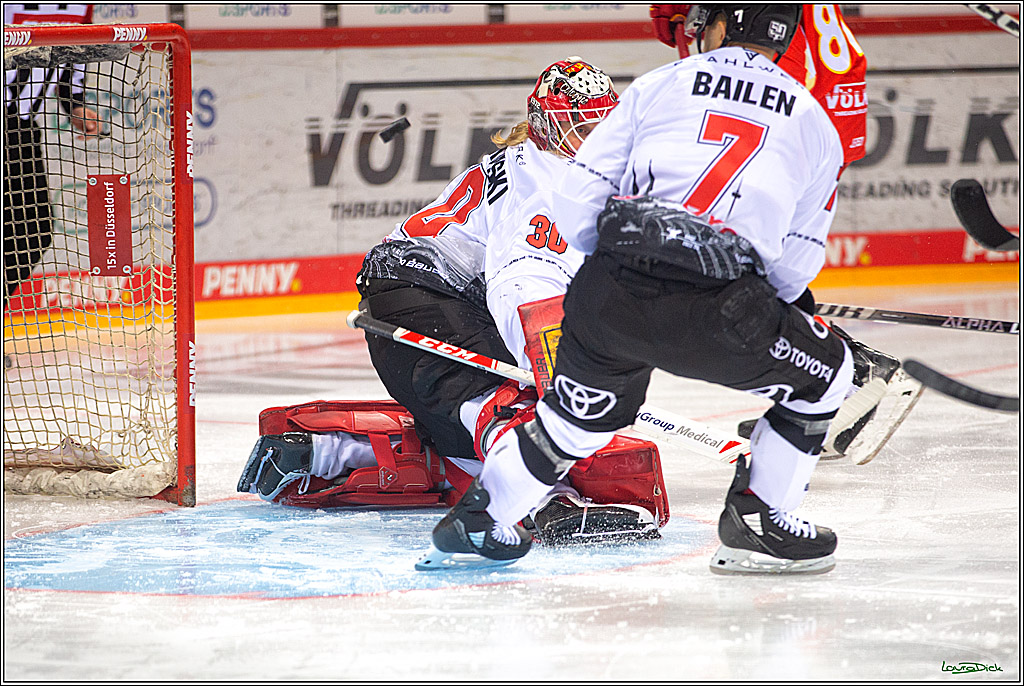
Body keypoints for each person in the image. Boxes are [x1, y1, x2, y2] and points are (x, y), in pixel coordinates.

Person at [420, 4, 854, 574]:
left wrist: (617, 266)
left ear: (724, 26)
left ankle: (483, 518)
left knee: (570, 423)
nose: (696, 31)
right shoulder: (815, 122)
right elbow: (795, 268)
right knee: (829, 375)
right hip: (718, 311)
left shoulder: (658, 85)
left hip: (609, 298)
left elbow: (578, 207)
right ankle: (759, 519)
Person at [238, 58, 669, 551]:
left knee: (463, 432)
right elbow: (519, 285)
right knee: (516, 407)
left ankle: (329, 454)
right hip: (426, 301)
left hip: (406, 304)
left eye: (600, 127)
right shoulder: (546, 184)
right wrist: (556, 367)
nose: (592, 142)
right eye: (582, 128)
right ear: (548, 127)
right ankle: (545, 503)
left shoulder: (535, 164)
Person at [649, 3, 920, 465]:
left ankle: (854, 375)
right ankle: (830, 380)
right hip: (823, 97)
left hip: (788, 97)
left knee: (741, 258)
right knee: (756, 253)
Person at [4, 4, 101, 307]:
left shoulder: (81, 6)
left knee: (35, 230)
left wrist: (75, 104)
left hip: (18, 132)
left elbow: (69, 53)